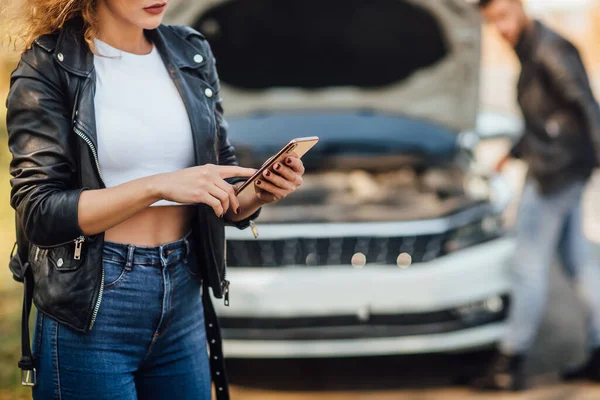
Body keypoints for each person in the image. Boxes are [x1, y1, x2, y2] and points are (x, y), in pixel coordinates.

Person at [6, 0, 305, 399]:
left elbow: (223, 182)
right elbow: (39, 213)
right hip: (93, 303)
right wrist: (157, 187)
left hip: (184, 292)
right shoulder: (48, 65)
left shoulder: (189, 50)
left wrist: (256, 193)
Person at [473, 0, 600, 391]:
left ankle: (509, 363)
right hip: (561, 168)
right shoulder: (532, 47)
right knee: (579, 262)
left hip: (554, 176)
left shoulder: (549, 49)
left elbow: (585, 107)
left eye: (502, 18)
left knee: (527, 265)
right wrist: (511, 153)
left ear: (518, 6)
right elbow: (544, 119)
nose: (500, 29)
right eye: (492, 22)